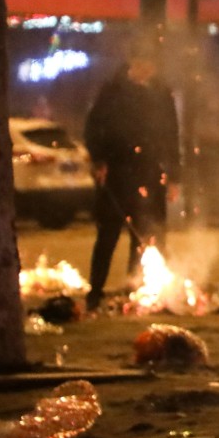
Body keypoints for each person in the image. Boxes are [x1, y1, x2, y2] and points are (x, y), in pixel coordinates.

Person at [83, 43, 180, 311]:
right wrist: (99, 160)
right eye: (141, 65)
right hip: (117, 170)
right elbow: (94, 127)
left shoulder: (161, 93)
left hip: (150, 172)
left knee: (145, 236)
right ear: (132, 63)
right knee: (108, 235)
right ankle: (95, 292)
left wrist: (174, 176)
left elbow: (172, 135)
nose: (146, 71)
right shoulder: (112, 91)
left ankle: (134, 289)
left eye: (150, 67)